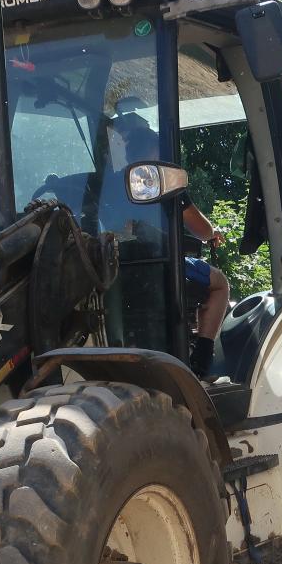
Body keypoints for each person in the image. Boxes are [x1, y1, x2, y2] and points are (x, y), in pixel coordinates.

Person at [109, 112, 230, 377]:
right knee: (220, 283)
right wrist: (211, 234)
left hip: (115, 271)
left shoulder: (110, 184)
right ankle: (201, 357)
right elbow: (201, 230)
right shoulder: (162, 181)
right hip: (159, 266)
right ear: (155, 151)